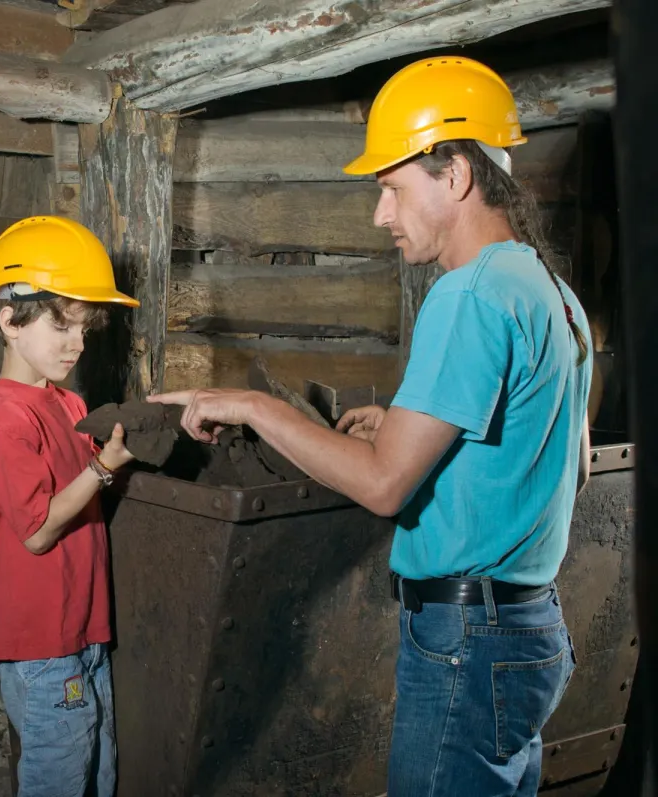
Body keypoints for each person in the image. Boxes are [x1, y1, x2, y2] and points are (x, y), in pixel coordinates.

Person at [149, 56, 593, 797]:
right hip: (530, 633)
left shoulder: (467, 295)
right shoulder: (554, 293)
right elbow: (560, 463)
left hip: (466, 642)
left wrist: (260, 406)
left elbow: (386, 486)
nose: (380, 214)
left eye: (391, 188)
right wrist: (413, 425)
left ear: (454, 175)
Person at [0, 215, 137, 797]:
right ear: (10, 321)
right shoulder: (7, 415)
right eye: (62, 326)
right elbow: (36, 532)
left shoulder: (67, 403)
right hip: (40, 638)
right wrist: (101, 469)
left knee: (97, 770)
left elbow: (85, 485)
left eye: (84, 329)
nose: (78, 343)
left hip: (83, 626)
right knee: (59, 776)